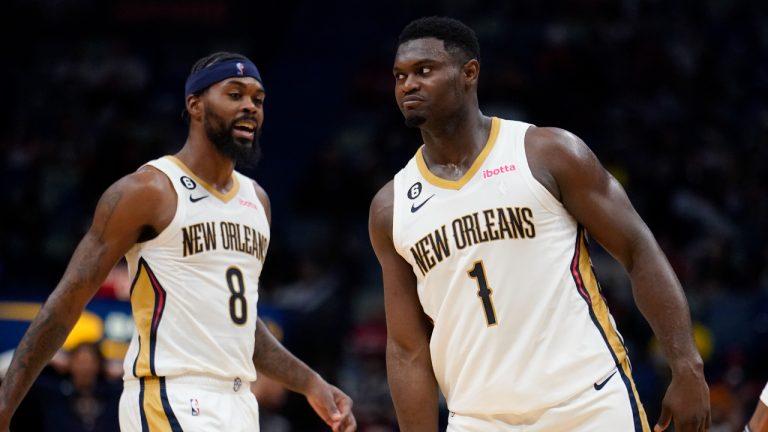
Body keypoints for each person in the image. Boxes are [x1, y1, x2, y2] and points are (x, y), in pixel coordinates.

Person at [368, 16, 710, 432]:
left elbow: (638, 250)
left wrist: (686, 364)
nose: (408, 85)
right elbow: (407, 348)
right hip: (478, 420)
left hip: (589, 402)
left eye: (424, 71)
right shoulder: (391, 207)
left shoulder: (547, 154)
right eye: (400, 76)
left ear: (469, 73)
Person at [0, 51, 356, 432]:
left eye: (258, 98)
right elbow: (67, 301)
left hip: (239, 403)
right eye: (235, 94)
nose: (250, 106)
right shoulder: (149, 190)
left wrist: (309, 383)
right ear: (196, 104)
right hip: (171, 396)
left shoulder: (257, 202)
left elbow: (240, 326)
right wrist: (6, 405)